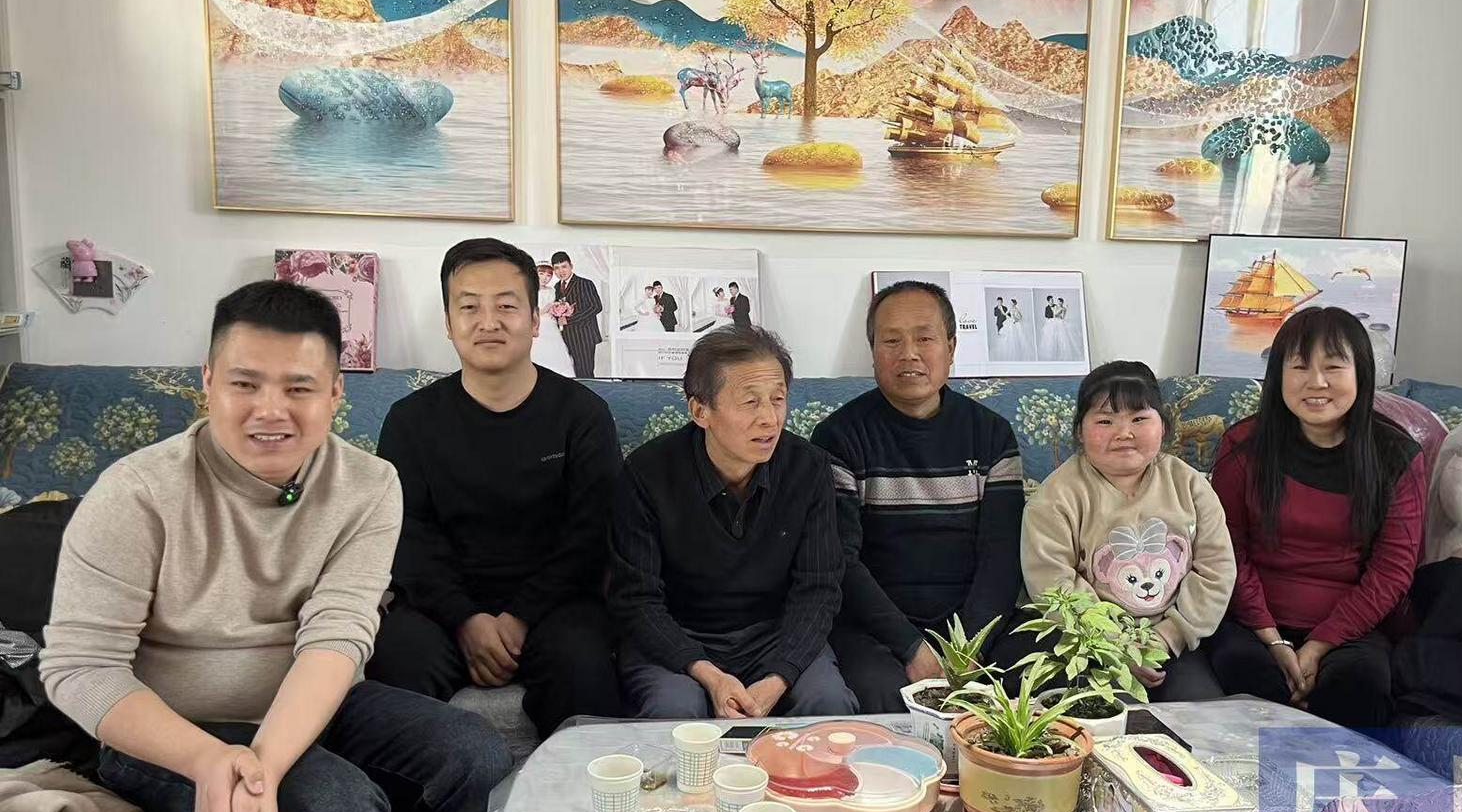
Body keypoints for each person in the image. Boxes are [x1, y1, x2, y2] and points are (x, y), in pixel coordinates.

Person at [39, 281, 509, 812]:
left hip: (304, 706)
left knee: (476, 754)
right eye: (245, 384)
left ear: (335, 394)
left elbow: (338, 637)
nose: (270, 410)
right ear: (207, 383)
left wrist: (258, 766)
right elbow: (78, 666)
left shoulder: (368, 485)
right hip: (175, 729)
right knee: (338, 809)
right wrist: (209, 761)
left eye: (298, 388)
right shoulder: (136, 493)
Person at [367, 238, 625, 738]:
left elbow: (592, 534)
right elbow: (406, 536)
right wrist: (466, 619)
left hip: (558, 605)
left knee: (584, 666)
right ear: (448, 323)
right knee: (395, 662)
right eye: (469, 307)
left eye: (506, 306)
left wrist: (519, 617)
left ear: (535, 319)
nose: (488, 322)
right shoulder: (411, 420)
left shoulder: (582, 414)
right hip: (440, 609)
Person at [609, 325, 856, 718]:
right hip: (679, 636)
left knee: (827, 701)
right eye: (750, 402)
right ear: (700, 411)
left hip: (774, 635)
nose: (769, 419)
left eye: (778, 399)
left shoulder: (808, 468)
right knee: (674, 709)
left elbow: (818, 588)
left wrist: (778, 677)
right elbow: (636, 598)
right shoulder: (647, 473)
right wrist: (709, 675)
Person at [1206, 306, 1427, 727]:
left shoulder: (1395, 455)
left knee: (1359, 689)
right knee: (1250, 680)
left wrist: (1320, 644)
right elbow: (1225, 549)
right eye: (1300, 367)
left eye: (1333, 367)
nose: (1316, 382)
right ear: (1278, 375)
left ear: (1362, 374)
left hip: (1351, 627)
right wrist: (1272, 638)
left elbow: (1393, 571)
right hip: (1251, 622)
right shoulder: (1244, 444)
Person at [813, 281, 1027, 712]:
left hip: (973, 624)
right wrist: (911, 647)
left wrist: (967, 647)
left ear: (951, 347)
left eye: (925, 338)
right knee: (883, 693)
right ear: (873, 351)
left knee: (1039, 665)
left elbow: (1001, 556)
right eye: (891, 340)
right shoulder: (838, 437)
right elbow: (841, 560)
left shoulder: (991, 434)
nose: (908, 353)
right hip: (875, 628)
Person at [1020, 361, 1234, 700]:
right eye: (1105, 421)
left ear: (1163, 426)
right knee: (1104, 716)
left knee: (1199, 713)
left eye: (1139, 419)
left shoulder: (1189, 485)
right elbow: (1053, 581)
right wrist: (1116, 645)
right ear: (1080, 431)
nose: (1124, 433)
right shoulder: (1055, 496)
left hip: (1173, 638)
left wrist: (1167, 637)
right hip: (1088, 643)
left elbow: (1216, 570)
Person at [551, 250, 604, 378]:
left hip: (584, 336)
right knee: (570, 373)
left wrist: (569, 319)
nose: (561, 271)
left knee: (585, 373)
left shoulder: (585, 283)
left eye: (564, 266)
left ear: (571, 266)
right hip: (566, 336)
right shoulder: (557, 287)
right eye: (557, 268)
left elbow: (596, 307)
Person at [533, 260, 575, 375]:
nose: (545, 278)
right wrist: (547, 308)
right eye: (541, 274)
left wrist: (560, 309)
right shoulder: (530, 290)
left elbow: (554, 307)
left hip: (551, 324)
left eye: (548, 275)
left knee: (555, 351)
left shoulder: (552, 290)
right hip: (537, 323)